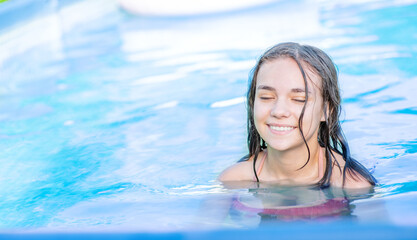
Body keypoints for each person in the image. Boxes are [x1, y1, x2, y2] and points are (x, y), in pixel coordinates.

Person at [219, 42, 376, 188]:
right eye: (266, 97)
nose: (278, 111)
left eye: (299, 99)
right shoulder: (233, 179)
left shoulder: (353, 185)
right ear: (253, 104)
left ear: (326, 111)